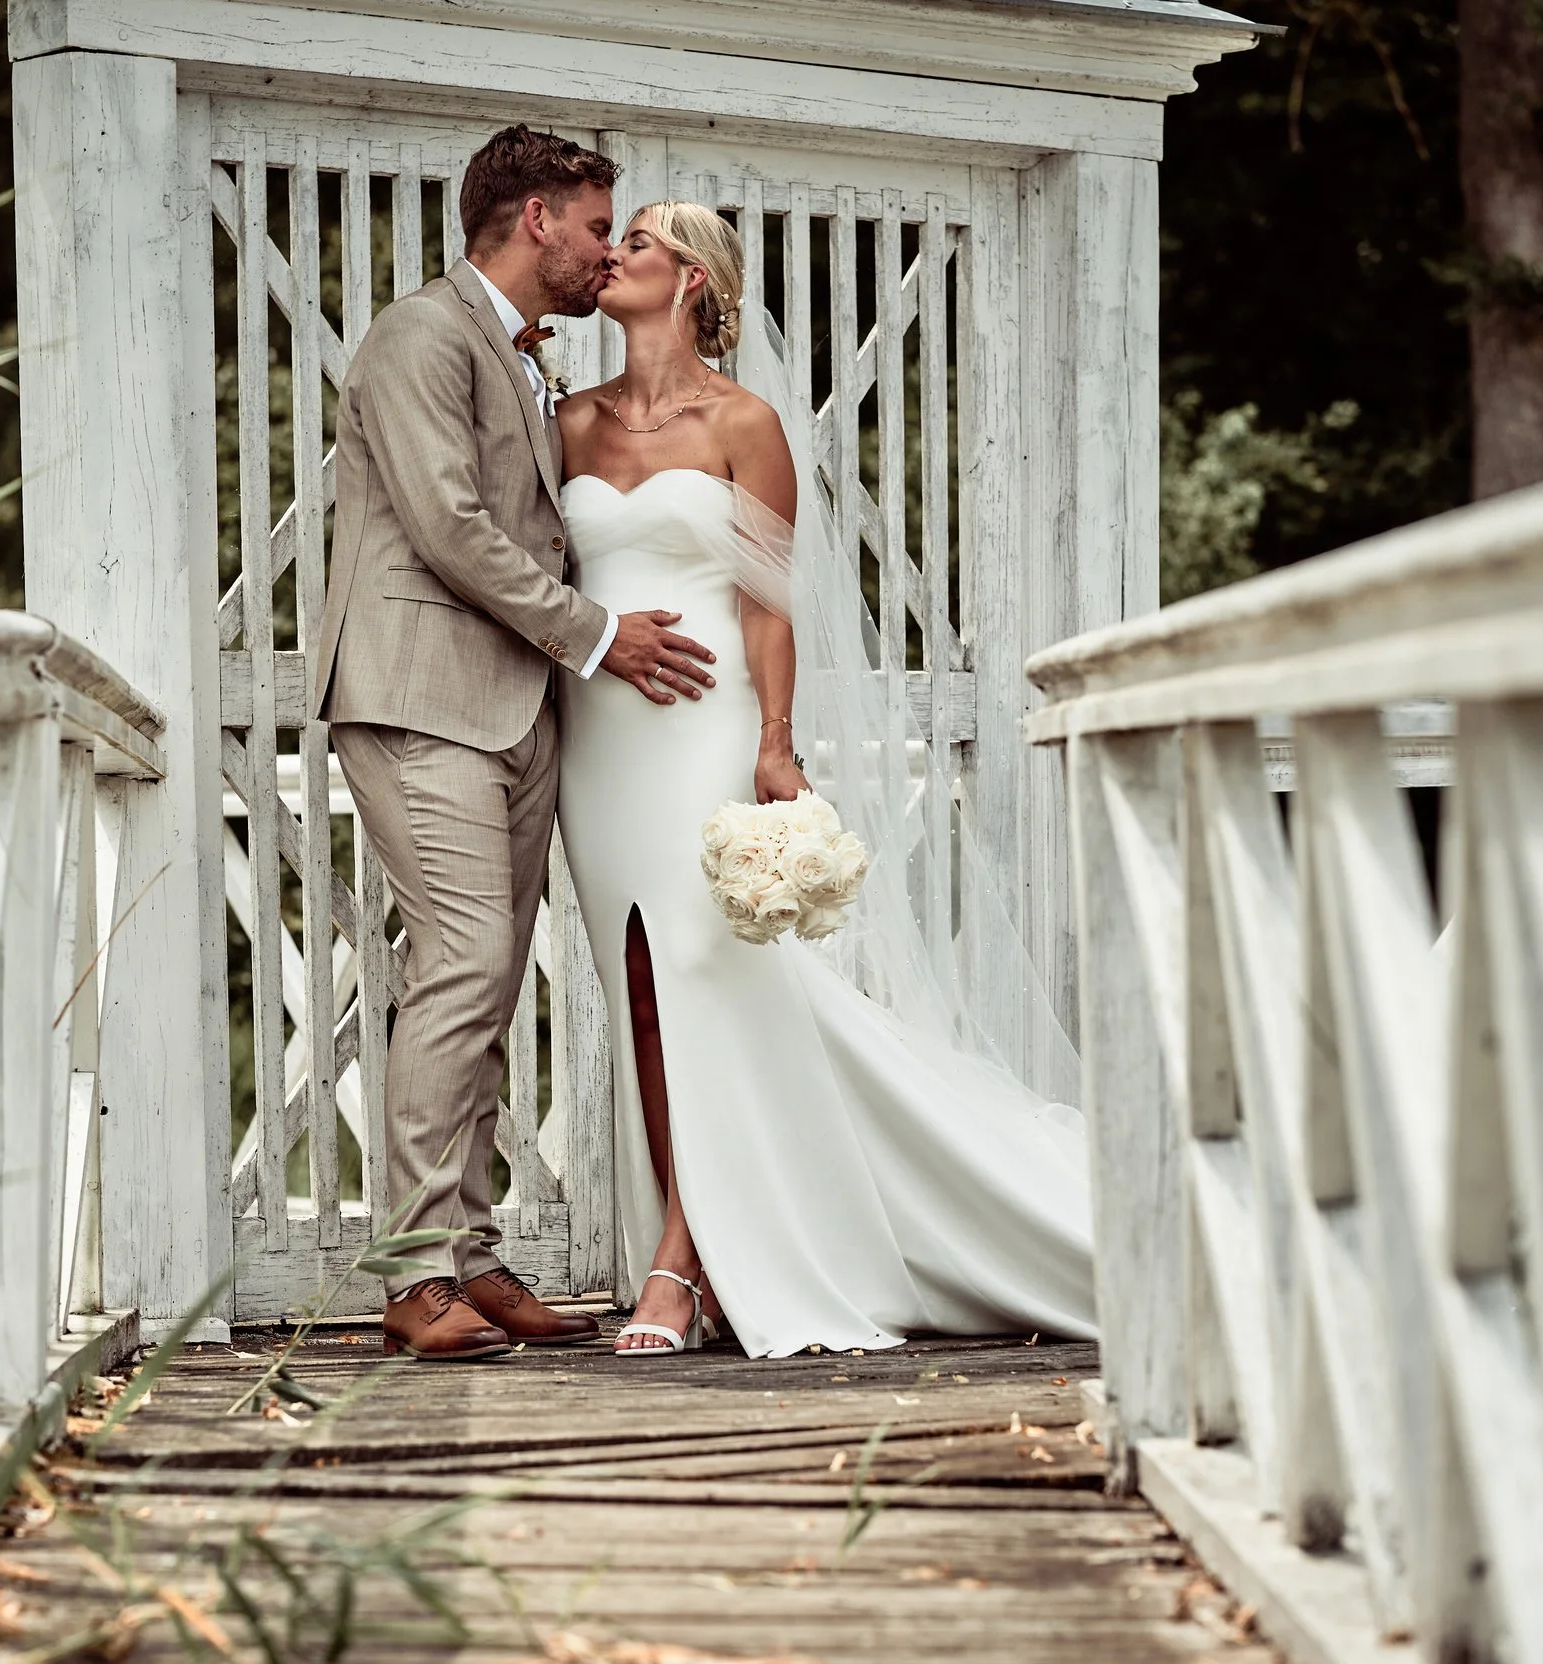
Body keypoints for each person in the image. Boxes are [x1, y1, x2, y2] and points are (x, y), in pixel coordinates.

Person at [554, 203, 1097, 1358]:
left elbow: (766, 600)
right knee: (640, 984)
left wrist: (777, 740)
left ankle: (681, 1262)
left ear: (692, 278)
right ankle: (689, 1230)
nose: (613, 256)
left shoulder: (743, 421)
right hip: (597, 739)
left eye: (638, 244)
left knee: (709, 972)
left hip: (704, 723)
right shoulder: (566, 421)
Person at [310, 127, 718, 1360]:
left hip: (514, 704)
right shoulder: (420, 336)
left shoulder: (521, 354)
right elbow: (448, 526)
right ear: (535, 217)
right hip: (420, 691)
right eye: (598, 225)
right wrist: (596, 635)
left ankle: (472, 1258)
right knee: (466, 960)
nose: (607, 249)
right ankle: (410, 1273)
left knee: (484, 985)